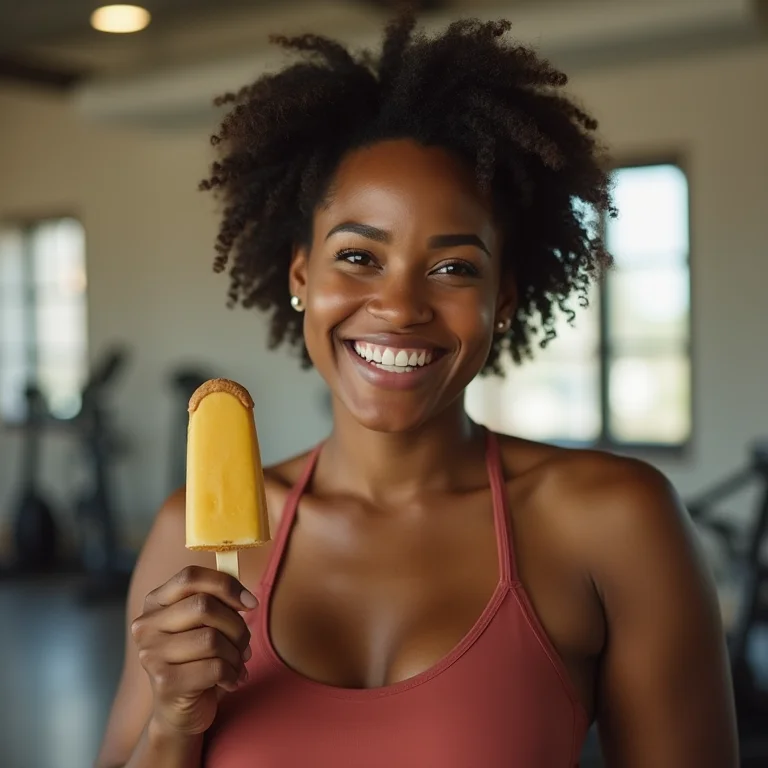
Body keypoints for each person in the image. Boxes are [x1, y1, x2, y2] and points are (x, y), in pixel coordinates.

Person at [96, 9, 738, 768]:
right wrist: (174, 721)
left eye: (454, 267)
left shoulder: (612, 523)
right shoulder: (190, 538)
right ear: (302, 274)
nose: (399, 307)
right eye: (360, 257)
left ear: (503, 299)